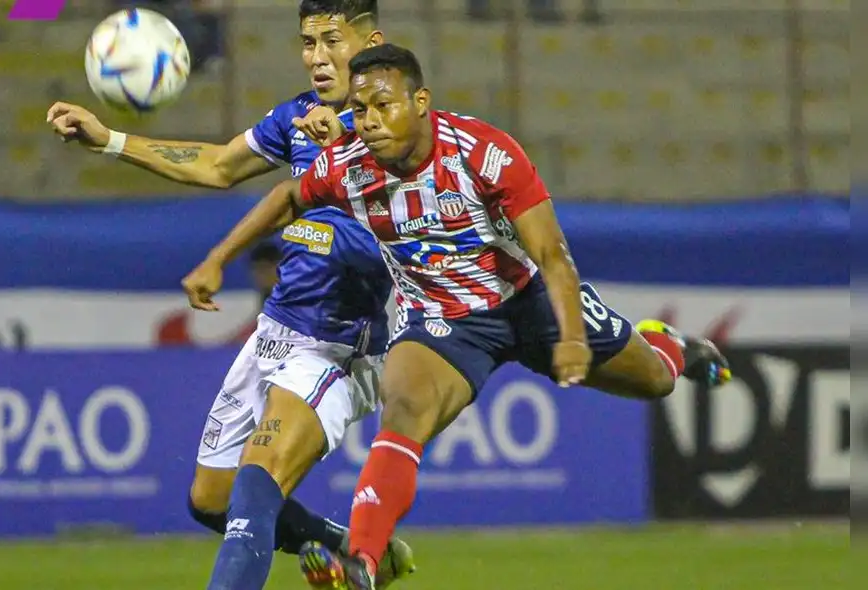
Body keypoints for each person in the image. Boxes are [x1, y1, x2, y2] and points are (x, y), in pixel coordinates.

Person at [181, 43, 732, 590]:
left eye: (384, 105)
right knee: (404, 412)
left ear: (421, 101)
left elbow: (552, 255)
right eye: (362, 110)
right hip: (441, 320)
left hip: (528, 301)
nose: (370, 122)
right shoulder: (349, 167)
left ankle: (670, 345)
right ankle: (364, 561)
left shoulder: (484, 153)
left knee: (655, 382)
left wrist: (569, 337)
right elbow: (286, 197)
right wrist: (216, 259)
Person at [46, 3, 416, 589]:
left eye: (330, 41)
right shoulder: (297, 117)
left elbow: (411, 204)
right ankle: (357, 553)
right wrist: (110, 140)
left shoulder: (403, 126)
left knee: (258, 476)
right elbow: (218, 165)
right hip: (278, 330)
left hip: (340, 343)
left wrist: (347, 134)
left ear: (369, 41)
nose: (316, 57)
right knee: (212, 499)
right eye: (306, 42)